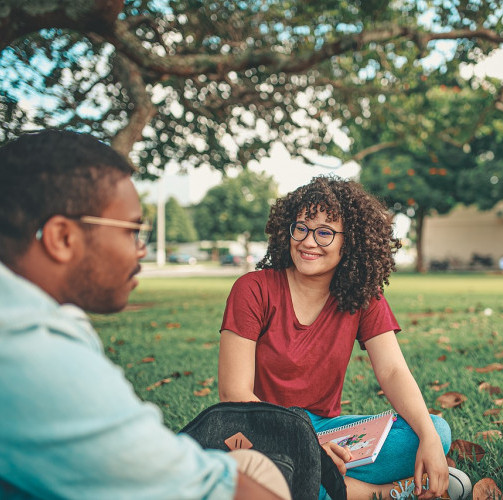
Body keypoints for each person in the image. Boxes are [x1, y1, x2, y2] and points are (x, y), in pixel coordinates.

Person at [0, 130, 290, 500]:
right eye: (132, 231)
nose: (140, 250)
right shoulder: (34, 353)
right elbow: (216, 490)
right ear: (63, 238)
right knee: (260, 472)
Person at [218, 177, 471, 500]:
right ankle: (380, 494)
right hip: (261, 432)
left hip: (326, 432)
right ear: (287, 231)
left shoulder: (363, 296)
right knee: (262, 473)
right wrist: (307, 447)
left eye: (325, 232)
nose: (309, 242)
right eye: (302, 228)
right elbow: (234, 394)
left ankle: (316, 485)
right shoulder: (253, 289)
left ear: (349, 241)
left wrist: (430, 441)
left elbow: (393, 371)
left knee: (435, 429)